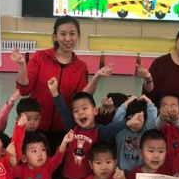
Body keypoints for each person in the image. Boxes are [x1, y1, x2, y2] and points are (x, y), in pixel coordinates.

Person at [13, 15, 113, 149]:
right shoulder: (39, 57)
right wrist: (22, 65)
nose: (68, 39)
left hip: (65, 129)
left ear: (78, 35)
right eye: (63, 34)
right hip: (35, 126)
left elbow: (82, 97)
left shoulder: (81, 66)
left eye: (72, 33)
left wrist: (97, 77)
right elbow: (24, 90)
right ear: (55, 36)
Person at [47, 78, 126, 179]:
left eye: (85, 108)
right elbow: (63, 110)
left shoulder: (99, 131)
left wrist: (128, 123)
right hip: (67, 177)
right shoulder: (72, 127)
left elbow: (112, 128)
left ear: (95, 111)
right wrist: (54, 92)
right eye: (76, 111)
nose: (81, 113)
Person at [110, 95, 158, 173]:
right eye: (130, 118)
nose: (135, 122)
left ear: (145, 121)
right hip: (121, 173)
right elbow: (117, 119)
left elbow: (152, 119)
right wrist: (127, 103)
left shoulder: (146, 133)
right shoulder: (121, 132)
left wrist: (149, 102)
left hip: (140, 174)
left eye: (139, 118)